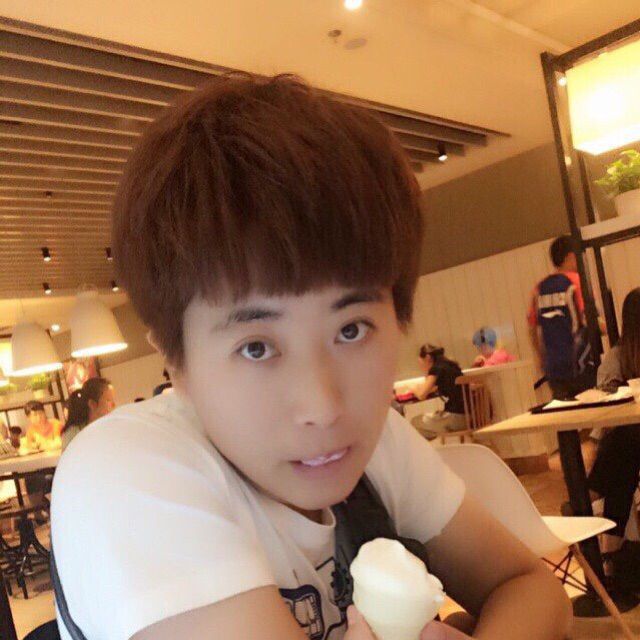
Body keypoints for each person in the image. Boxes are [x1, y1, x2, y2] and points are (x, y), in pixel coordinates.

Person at [51, 75, 571, 640]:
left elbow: (530, 586)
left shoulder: (380, 448)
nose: (323, 407)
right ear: (176, 362)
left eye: (350, 330)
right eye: (256, 347)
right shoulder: (128, 470)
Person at [588, 288, 640, 559]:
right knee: (627, 449)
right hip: (628, 442)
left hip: (625, 443)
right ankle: (612, 558)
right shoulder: (618, 358)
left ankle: (589, 494)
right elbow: (605, 409)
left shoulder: (619, 356)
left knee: (625, 446)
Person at [527, 235, 595, 399]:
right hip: (578, 362)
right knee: (589, 407)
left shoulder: (539, 288)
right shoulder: (576, 282)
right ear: (571, 256)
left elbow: (532, 328)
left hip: (553, 366)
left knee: (563, 410)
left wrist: (541, 358)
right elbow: (589, 319)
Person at [412, 344, 467, 438]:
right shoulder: (450, 365)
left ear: (428, 358)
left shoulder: (437, 368)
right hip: (470, 417)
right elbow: (435, 388)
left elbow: (421, 394)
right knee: (425, 428)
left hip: (456, 418)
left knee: (415, 422)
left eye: (421, 363)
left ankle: (428, 447)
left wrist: (413, 389)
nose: (421, 367)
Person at [61, 378, 116, 452]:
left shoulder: (110, 428)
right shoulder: (74, 434)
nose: (114, 405)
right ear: (92, 404)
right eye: (108, 400)